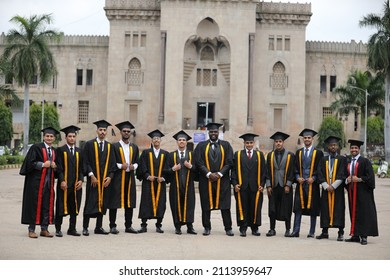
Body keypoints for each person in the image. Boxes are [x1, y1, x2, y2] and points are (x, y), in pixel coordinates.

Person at [193, 122, 234, 236]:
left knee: (225, 205)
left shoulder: (226, 145)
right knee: (206, 204)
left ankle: (228, 227)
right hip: (206, 180)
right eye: (211, 132)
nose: (213, 133)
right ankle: (207, 227)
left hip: (223, 180)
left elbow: (229, 162)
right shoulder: (201, 146)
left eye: (215, 131)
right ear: (208, 133)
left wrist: (220, 174)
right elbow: (198, 162)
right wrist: (209, 174)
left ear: (218, 132)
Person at [20, 127, 60, 238]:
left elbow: (57, 168)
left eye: (51, 136)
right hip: (35, 184)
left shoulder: (54, 151)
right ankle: (31, 229)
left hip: (49, 184)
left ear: (54, 138)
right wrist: (43, 164)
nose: (49, 138)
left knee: (46, 205)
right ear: (44, 137)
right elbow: (29, 163)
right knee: (34, 205)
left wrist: (55, 167)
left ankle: (44, 229)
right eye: (47, 136)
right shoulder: (36, 148)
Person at [82, 120, 116, 236]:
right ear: (96, 131)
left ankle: (99, 227)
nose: (102, 132)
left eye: (104, 130)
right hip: (93, 181)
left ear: (106, 132)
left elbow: (113, 164)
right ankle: (85, 227)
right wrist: (91, 175)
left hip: (104, 182)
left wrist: (110, 177)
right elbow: (85, 162)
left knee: (102, 203)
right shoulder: (89, 144)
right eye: (100, 130)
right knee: (89, 203)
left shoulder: (110, 147)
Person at [289, 129, 324, 238]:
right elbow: (294, 168)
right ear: (303, 139)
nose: (307, 139)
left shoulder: (318, 153)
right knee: (298, 208)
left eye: (309, 138)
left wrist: (313, 178)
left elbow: (320, 168)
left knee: (313, 208)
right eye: (305, 138)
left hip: (312, 185)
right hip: (301, 184)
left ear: (312, 139)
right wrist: (297, 177)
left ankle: (311, 231)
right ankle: (296, 231)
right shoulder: (298, 153)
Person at [231, 133, 266, 237]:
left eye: (251, 142)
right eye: (247, 143)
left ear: (254, 143)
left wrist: (262, 184)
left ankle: (255, 228)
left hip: (256, 187)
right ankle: (243, 227)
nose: (249, 144)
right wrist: (234, 183)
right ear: (244, 143)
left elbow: (264, 171)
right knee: (243, 207)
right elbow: (233, 171)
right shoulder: (237, 155)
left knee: (255, 207)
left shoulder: (259, 155)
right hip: (242, 186)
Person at [107, 121, 139, 234]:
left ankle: (128, 226)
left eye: (128, 131)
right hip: (117, 177)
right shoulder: (114, 146)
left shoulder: (134, 147)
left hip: (130, 177)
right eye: (124, 131)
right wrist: (121, 165)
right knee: (114, 201)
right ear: (120, 132)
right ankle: (112, 225)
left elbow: (137, 162)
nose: (126, 133)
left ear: (130, 133)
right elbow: (111, 162)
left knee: (129, 201)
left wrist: (133, 166)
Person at [345, 139, 378, 245]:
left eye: (355, 148)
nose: (353, 150)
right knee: (353, 212)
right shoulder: (348, 162)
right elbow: (344, 175)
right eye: (352, 148)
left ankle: (364, 236)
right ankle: (355, 235)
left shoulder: (365, 161)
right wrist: (347, 180)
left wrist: (358, 179)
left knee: (364, 213)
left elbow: (370, 178)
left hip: (363, 193)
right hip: (352, 192)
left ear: (359, 149)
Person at [136, 129, 170, 233]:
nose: (156, 140)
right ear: (152, 141)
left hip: (160, 183)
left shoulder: (166, 154)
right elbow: (142, 166)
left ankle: (159, 225)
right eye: (154, 138)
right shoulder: (146, 153)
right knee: (146, 202)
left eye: (158, 138)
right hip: (148, 183)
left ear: (160, 141)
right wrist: (147, 176)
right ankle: (143, 225)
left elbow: (168, 168)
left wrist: (163, 178)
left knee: (160, 203)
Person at [54, 125, 84, 237]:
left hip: (76, 184)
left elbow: (82, 168)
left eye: (73, 136)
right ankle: (58, 229)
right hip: (64, 184)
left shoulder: (79, 151)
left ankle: (72, 228)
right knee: (61, 206)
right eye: (69, 136)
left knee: (74, 206)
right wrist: (62, 180)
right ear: (66, 137)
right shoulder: (60, 150)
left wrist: (81, 180)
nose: (72, 138)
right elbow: (59, 167)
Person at [316, 136, 347, 241]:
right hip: (326, 189)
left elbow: (343, 173)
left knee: (339, 210)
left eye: (334, 145)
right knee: (324, 209)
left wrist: (333, 186)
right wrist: (325, 185)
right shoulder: (323, 159)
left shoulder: (342, 159)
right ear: (328, 147)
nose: (333, 147)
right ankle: (325, 232)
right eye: (331, 145)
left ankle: (340, 232)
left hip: (337, 190)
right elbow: (319, 173)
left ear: (337, 146)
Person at [265, 131, 295, 237]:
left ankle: (287, 229)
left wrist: (288, 184)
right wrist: (268, 185)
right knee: (272, 208)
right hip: (273, 186)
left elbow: (292, 171)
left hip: (285, 186)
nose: (278, 143)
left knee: (287, 208)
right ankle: (272, 229)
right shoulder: (270, 155)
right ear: (274, 143)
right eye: (276, 141)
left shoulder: (290, 155)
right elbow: (267, 171)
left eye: (280, 141)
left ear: (283, 143)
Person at [168, 130, 197, 235]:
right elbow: (165, 171)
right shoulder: (171, 155)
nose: (181, 141)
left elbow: (198, 170)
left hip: (188, 185)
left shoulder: (192, 155)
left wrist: (191, 167)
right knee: (175, 205)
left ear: (186, 142)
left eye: (183, 140)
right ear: (177, 142)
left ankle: (190, 226)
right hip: (175, 186)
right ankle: (177, 226)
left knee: (189, 205)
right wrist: (172, 169)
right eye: (179, 140)